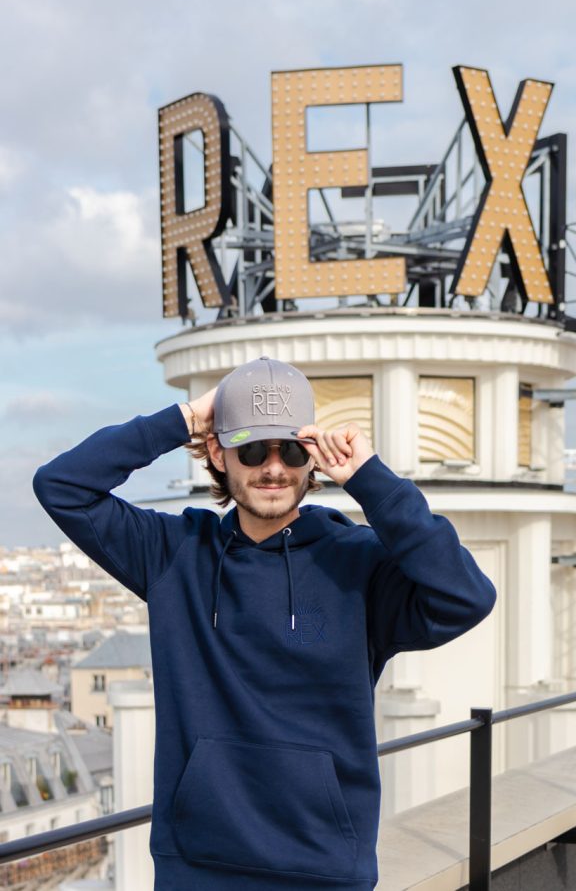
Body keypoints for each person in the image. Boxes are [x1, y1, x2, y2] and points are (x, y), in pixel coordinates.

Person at [33, 355, 496, 891]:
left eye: (292, 449)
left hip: (324, 872)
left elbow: (466, 596)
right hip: (197, 870)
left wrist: (372, 481)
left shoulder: (359, 563)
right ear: (218, 453)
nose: (273, 467)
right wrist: (183, 419)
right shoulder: (174, 555)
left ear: (312, 459)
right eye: (252, 448)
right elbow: (62, 486)